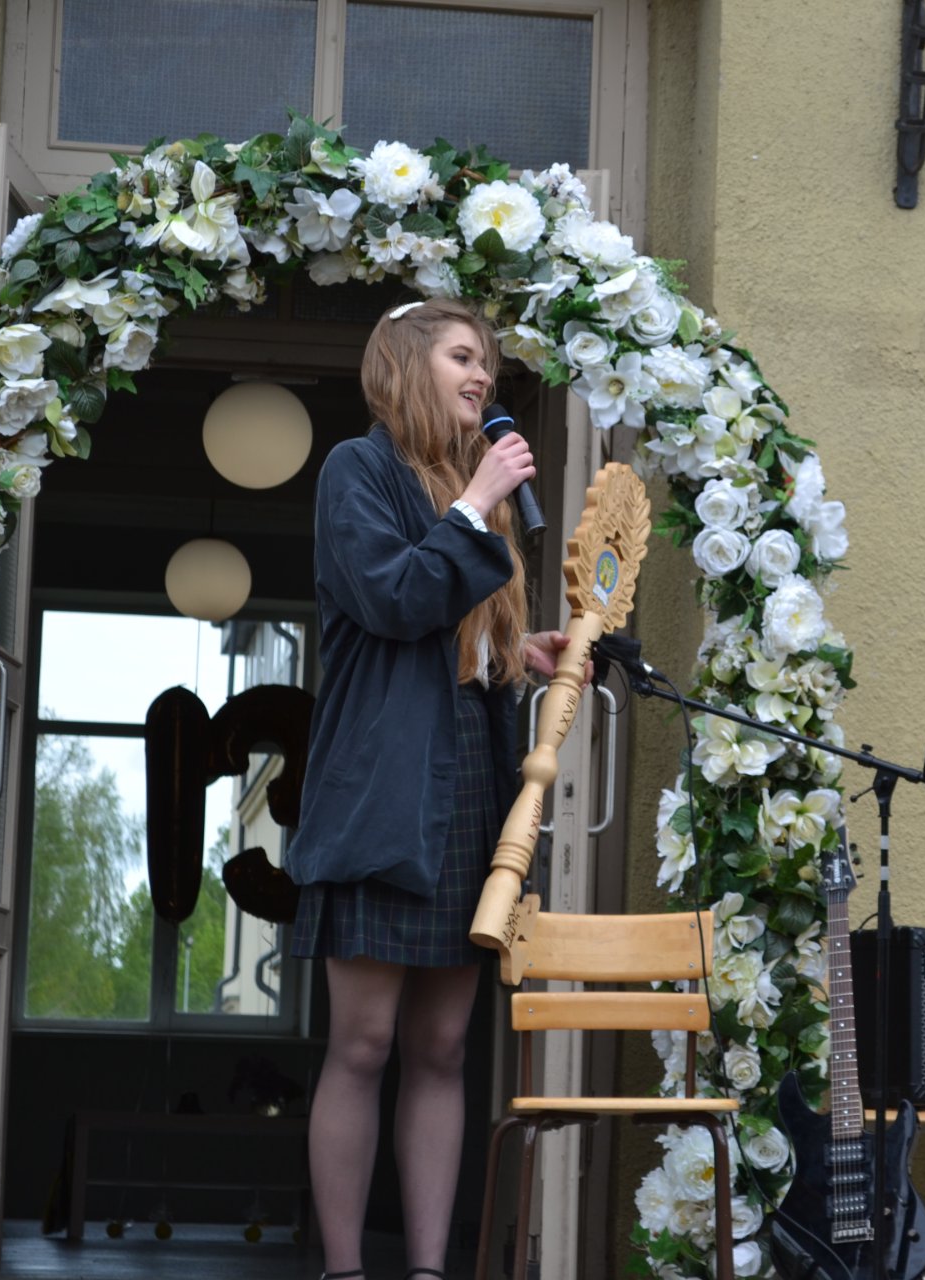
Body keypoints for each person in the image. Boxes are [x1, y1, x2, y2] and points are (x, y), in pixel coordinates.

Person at [288, 297, 572, 1280]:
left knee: (444, 1046)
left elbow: (449, 637)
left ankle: (425, 1270)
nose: (483, 374)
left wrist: (515, 653)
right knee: (364, 1042)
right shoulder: (355, 470)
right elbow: (394, 597)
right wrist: (475, 503)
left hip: (467, 788)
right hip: (382, 790)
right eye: (462, 355)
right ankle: (344, 1270)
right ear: (407, 364)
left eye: (487, 360)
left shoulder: (471, 490)